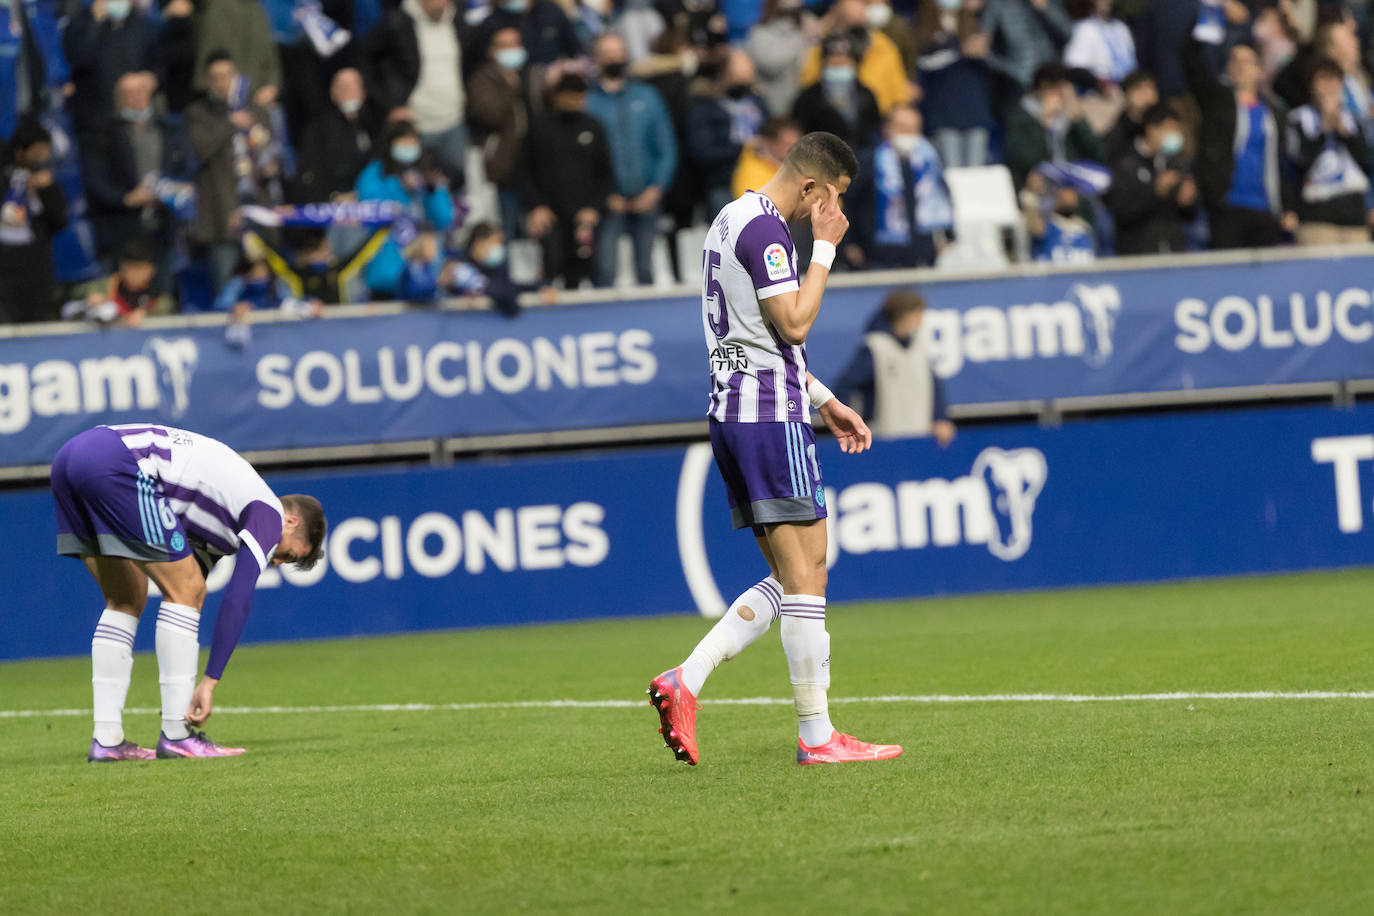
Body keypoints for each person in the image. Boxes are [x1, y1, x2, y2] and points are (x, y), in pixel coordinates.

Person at [648, 131, 903, 767]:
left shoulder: (730, 219)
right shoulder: (769, 233)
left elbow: (759, 337)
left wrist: (824, 399)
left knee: (792, 576)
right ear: (812, 186)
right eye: (834, 200)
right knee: (810, 575)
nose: (834, 214)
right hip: (769, 416)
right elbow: (793, 323)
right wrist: (825, 250)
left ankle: (689, 678)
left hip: (737, 412)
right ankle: (817, 737)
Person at [51, 423, 325, 760]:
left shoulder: (222, 518)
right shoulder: (269, 512)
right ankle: (177, 734)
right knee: (188, 588)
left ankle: (107, 741)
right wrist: (210, 681)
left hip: (71, 458)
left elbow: (190, 581)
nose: (278, 562)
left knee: (127, 597)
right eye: (288, 554)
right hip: (115, 460)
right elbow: (237, 597)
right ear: (292, 523)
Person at [82, 72, 194, 281]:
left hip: (164, 224)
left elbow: (186, 167)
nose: (136, 97)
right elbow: (95, 179)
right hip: (122, 226)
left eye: (141, 90)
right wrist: (126, 198)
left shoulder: (169, 128)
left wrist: (174, 189)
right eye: (128, 92)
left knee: (163, 290)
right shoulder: (104, 134)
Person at [586, 33, 678, 287]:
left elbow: (666, 147)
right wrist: (602, 194)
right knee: (604, 271)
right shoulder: (588, 101)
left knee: (646, 271)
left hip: (646, 197)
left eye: (618, 51)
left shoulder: (647, 96)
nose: (614, 58)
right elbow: (583, 159)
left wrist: (656, 188)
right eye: (607, 53)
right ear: (596, 58)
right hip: (607, 201)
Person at [1184, 38, 1291, 249]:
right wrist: (1201, 32)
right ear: (1228, 70)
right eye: (1235, 60)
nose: (1240, 65)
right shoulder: (1217, 104)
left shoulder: (1274, 114)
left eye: (1247, 61)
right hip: (1227, 206)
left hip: (1264, 207)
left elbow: (1281, 162)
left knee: (1265, 280)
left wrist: (1287, 207)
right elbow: (1192, 64)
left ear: (1260, 71)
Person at [186, 51, 278, 291]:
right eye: (216, 77)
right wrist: (230, 124)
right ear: (208, 81)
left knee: (267, 288)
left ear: (237, 76)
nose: (223, 82)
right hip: (222, 220)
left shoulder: (257, 111)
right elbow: (198, 150)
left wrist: (270, 164)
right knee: (228, 291)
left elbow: (273, 150)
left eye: (228, 75)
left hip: (259, 214)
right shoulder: (198, 113)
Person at [517, 72, 614, 289]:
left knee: (587, 270)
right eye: (570, 97)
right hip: (549, 217)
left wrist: (593, 208)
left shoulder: (593, 127)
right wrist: (536, 206)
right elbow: (524, 171)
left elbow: (605, 174)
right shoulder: (539, 127)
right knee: (551, 265)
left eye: (579, 98)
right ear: (557, 97)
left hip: (584, 218)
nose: (575, 103)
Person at [365, 0, 468, 184]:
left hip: (454, 122)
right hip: (415, 126)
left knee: (454, 190)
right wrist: (391, 105)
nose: (443, 3)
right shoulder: (397, 22)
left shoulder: (457, 19)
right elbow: (368, 63)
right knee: (411, 188)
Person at [836, 288, 955, 443]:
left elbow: (934, 386)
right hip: (882, 439)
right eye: (918, 314)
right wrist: (852, 426)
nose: (921, 320)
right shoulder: (875, 348)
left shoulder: (919, 348)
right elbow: (845, 385)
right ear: (904, 315)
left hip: (919, 436)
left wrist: (940, 418)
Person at [354, 119, 455, 299]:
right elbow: (371, 213)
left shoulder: (426, 173)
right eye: (403, 141)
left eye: (413, 141)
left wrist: (431, 191)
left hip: (426, 273)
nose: (409, 147)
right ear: (390, 143)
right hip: (387, 274)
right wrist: (401, 188)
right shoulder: (374, 174)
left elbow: (444, 219)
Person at [845, 105, 952, 269]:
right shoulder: (869, 161)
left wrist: (949, 238)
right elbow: (850, 203)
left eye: (913, 129)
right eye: (902, 128)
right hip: (878, 257)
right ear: (887, 129)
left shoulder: (929, 162)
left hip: (922, 255)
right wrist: (849, 243)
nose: (908, 134)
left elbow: (944, 198)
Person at [1285, 59, 1374, 246]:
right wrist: (1324, 127)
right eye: (1323, 81)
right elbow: (1298, 164)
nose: (1329, 88)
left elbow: (1366, 161)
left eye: (1334, 81)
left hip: (1354, 218)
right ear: (1312, 86)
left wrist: (1342, 131)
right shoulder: (1299, 119)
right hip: (1317, 218)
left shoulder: (1354, 122)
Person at [465, 27, 533, 240]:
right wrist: (509, 88)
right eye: (504, 46)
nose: (511, 50)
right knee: (506, 233)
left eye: (515, 44)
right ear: (491, 51)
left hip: (531, 171)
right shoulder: (481, 79)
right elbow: (490, 115)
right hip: (502, 172)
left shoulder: (530, 75)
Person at [686, 49, 770, 218]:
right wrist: (742, 147)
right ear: (722, 74)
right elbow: (702, 151)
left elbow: (771, 134)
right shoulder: (704, 107)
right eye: (737, 75)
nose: (744, 82)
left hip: (761, 180)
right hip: (724, 183)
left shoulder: (757, 103)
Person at [0, 117, 69, 324]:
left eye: (45, 151)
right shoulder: (4, 181)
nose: (42, 156)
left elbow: (60, 221)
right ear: (20, 152)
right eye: (36, 151)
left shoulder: (48, 183)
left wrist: (45, 191)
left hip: (36, 269)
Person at [1105, 103, 1198, 255]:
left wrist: (1188, 201)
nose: (1174, 134)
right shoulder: (1125, 163)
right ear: (1151, 129)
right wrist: (1154, 191)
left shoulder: (1178, 162)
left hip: (1173, 251)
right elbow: (1121, 210)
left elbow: (1189, 215)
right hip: (1138, 255)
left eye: (1176, 129)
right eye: (1169, 128)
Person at [913, 0, 995, 168]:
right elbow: (925, 62)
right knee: (952, 171)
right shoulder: (923, 27)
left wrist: (983, 53)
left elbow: (991, 66)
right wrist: (961, 51)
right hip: (944, 115)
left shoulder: (973, 23)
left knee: (976, 172)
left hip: (975, 112)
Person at [797, 0, 913, 115]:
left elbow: (899, 98)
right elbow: (808, 85)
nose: (865, 7)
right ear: (837, 5)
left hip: (874, 124)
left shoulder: (883, 46)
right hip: (828, 121)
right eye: (860, 2)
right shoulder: (821, 44)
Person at [1004, 62, 1104, 188]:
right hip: (1036, 185)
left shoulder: (1069, 117)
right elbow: (1024, 160)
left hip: (1072, 186)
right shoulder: (1021, 116)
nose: (1060, 96)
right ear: (1043, 88)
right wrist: (1043, 123)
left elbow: (1098, 155)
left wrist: (1078, 119)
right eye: (1055, 88)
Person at [292, 68, 378, 204]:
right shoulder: (318, 128)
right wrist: (333, 197)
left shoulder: (374, 125)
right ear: (332, 92)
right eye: (341, 86)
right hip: (333, 204)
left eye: (351, 85)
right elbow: (310, 173)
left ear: (363, 92)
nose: (346, 90)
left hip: (369, 202)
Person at [792, 35, 883, 152]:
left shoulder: (866, 95)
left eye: (845, 57)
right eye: (833, 57)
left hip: (861, 160)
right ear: (823, 61)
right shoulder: (809, 97)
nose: (839, 61)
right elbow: (801, 133)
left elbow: (874, 130)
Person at [746, 0, 813, 119]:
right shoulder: (760, 33)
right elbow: (771, 65)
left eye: (795, 12)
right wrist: (798, 40)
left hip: (798, 103)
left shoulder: (802, 32)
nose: (790, 17)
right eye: (786, 11)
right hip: (770, 106)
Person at [732, 116, 802, 198]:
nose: (793, 149)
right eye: (787, 144)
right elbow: (754, 206)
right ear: (769, 142)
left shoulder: (795, 167)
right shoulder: (752, 170)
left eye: (796, 144)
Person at [1102, 70, 1158, 163]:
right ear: (1126, 95)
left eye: (1151, 89)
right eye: (1139, 89)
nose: (1147, 95)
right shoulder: (1118, 131)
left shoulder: (1166, 122)